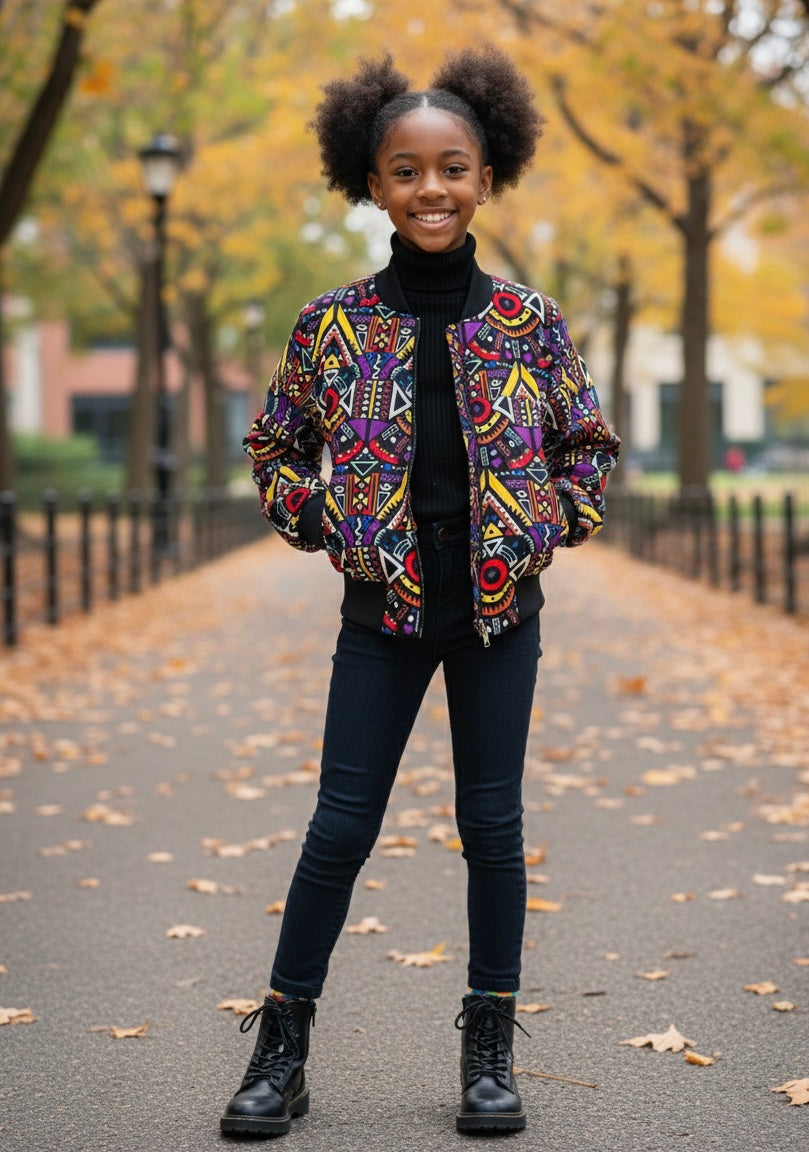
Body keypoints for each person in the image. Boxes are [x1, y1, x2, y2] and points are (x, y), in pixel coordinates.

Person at [221, 42, 619, 1139]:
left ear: (486, 175)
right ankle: (280, 1049)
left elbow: (586, 444)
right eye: (404, 169)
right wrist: (314, 518)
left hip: (499, 618)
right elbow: (273, 443)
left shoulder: (528, 323)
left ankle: (487, 1046)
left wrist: (554, 524)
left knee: (491, 828)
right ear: (371, 181)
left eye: (451, 167)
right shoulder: (332, 326)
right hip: (379, 619)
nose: (429, 188)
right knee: (337, 828)